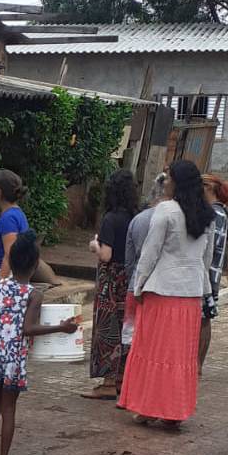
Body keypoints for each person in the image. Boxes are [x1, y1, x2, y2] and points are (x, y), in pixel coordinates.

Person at [0, 230, 78, 455]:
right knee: (9, 408)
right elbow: (28, 329)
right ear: (35, 265)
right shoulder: (33, 294)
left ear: (12, 260)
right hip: (11, 359)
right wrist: (61, 328)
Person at [118, 160, 214, 429]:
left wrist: (138, 286)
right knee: (180, 355)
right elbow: (205, 258)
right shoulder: (206, 214)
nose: (166, 182)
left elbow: (150, 252)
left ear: (177, 183)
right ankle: (174, 412)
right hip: (191, 294)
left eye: (169, 178)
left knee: (152, 351)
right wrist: (202, 287)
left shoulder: (166, 210)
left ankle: (148, 409)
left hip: (162, 292)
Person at [81, 169, 139, 400]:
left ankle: (107, 381)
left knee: (107, 329)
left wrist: (94, 245)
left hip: (111, 280)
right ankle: (122, 378)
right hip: (129, 277)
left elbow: (106, 255)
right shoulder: (136, 218)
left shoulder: (110, 219)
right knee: (126, 327)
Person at [121, 174, 167, 376]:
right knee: (155, 338)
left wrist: (134, 281)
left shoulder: (139, 219)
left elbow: (129, 260)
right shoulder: (180, 218)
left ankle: (128, 378)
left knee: (131, 335)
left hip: (137, 284)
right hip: (163, 289)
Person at [200, 174, 228, 374]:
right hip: (212, 273)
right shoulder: (221, 213)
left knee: (203, 318)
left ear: (208, 188)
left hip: (208, 273)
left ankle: (197, 365)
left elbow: (210, 248)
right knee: (204, 317)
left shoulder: (215, 214)